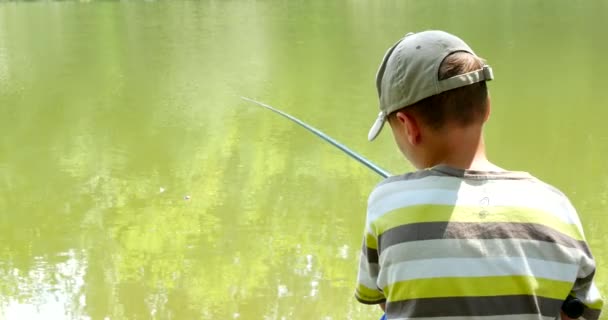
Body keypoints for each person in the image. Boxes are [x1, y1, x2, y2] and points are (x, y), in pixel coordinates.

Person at [354, 30, 603, 320]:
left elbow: (385, 300)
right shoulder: (556, 207)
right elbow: (583, 312)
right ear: (487, 108)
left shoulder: (388, 202)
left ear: (408, 126)